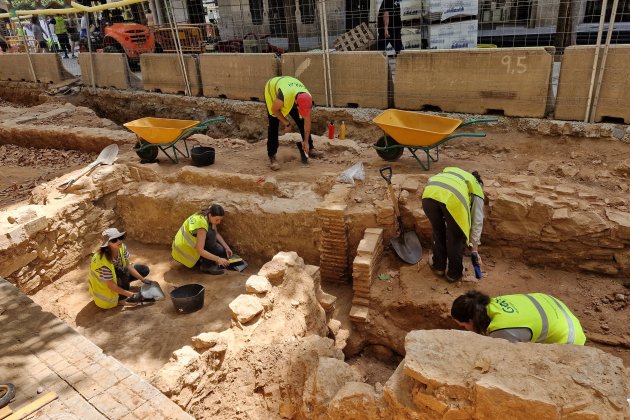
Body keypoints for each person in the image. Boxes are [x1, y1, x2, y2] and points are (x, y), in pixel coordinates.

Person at [451, 290, 586, 345]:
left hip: (570, 340)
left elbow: (509, 360)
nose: (466, 330)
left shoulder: (502, 330)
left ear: (471, 320)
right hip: (556, 308)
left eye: (463, 326)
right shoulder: (492, 303)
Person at [421, 167, 485, 282]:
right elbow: (477, 220)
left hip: (429, 193)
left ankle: (438, 267)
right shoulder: (477, 189)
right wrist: (475, 248)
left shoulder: (455, 172)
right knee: (455, 236)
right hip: (452, 199)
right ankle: (453, 274)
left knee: (438, 230)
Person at [264, 76, 322, 171]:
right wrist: (286, 123)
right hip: (272, 89)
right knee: (273, 124)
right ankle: (272, 156)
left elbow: (307, 121)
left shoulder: (307, 98)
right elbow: (274, 110)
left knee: (301, 120)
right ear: (296, 102)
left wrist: (306, 141)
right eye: (299, 108)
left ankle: (310, 149)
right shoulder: (283, 97)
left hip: (290, 89)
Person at [88, 228, 151, 309]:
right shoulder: (102, 261)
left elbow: (128, 265)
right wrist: (132, 295)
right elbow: (111, 286)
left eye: (120, 238)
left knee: (144, 270)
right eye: (114, 240)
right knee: (123, 272)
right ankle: (121, 299)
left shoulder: (121, 247)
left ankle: (123, 285)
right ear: (108, 244)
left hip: (116, 275)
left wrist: (143, 280)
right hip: (106, 287)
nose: (119, 241)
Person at [172, 204, 232, 275]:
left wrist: (227, 248)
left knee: (221, 250)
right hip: (185, 252)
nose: (219, 222)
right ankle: (207, 266)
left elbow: (216, 233)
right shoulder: (201, 226)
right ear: (210, 215)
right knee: (210, 235)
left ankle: (204, 260)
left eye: (220, 220)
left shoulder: (206, 215)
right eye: (217, 220)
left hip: (189, 246)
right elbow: (200, 250)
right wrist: (218, 259)